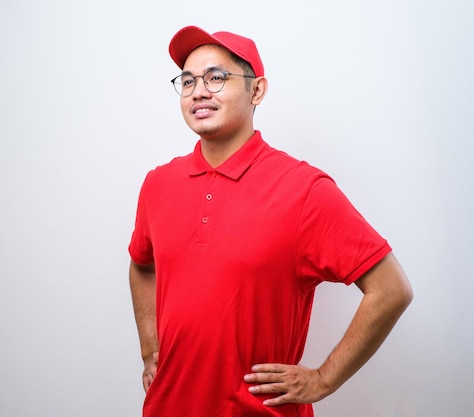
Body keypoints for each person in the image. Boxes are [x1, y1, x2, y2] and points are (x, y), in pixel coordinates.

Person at [128, 25, 413, 417]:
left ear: (257, 90)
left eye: (216, 78)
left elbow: (391, 289)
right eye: (188, 80)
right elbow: (143, 265)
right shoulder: (158, 184)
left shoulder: (304, 189)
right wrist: (149, 347)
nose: (198, 91)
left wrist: (323, 379)